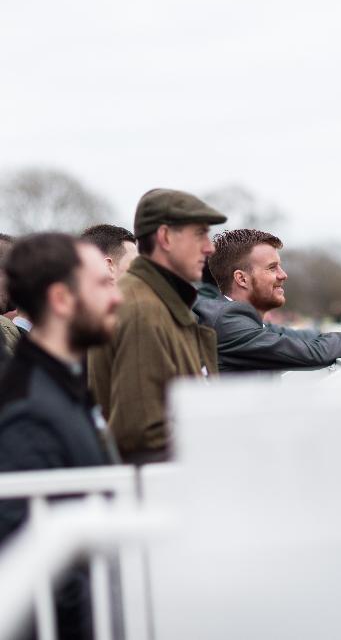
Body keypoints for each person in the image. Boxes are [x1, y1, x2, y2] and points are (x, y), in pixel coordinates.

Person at [0, 233, 122, 640]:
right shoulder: (27, 409)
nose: (117, 297)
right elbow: (27, 552)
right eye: (102, 286)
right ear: (62, 299)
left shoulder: (61, 384)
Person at [88, 188, 226, 464]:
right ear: (164, 237)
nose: (209, 247)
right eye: (199, 234)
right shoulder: (142, 308)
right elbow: (143, 436)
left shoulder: (156, 300)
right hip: (163, 492)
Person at [194, 229, 341, 373]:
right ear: (241, 278)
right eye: (272, 268)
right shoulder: (228, 321)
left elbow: (305, 339)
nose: (283, 275)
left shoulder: (236, 317)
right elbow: (310, 353)